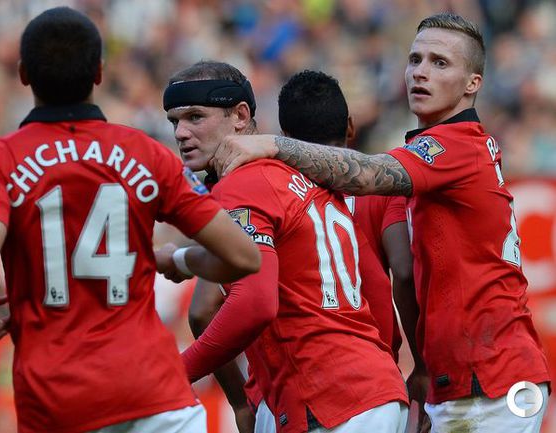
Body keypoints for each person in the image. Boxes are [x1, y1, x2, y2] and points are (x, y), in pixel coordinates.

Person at [211, 12, 551, 433]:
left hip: (491, 379)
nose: (420, 72)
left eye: (440, 63)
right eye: (415, 59)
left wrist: (275, 146)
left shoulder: (455, 146)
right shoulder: (449, 147)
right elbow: (404, 271)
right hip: (477, 377)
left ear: (472, 83)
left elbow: (369, 175)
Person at [0, 8, 261, 433]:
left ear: (23, 74)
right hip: (158, 399)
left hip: (57, 404)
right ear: (99, 72)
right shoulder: (146, 154)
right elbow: (243, 256)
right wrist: (177, 260)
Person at [163, 60, 409, 433]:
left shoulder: (242, 184)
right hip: (371, 392)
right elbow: (373, 284)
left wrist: (176, 375)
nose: (181, 132)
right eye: (174, 121)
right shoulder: (299, 175)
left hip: (325, 399)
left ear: (240, 115)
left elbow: (249, 303)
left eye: (195, 117)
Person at [277, 69, 429, 431]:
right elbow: (404, 271)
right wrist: (422, 366)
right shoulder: (381, 191)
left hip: (295, 380)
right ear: (349, 126)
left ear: (285, 138)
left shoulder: (272, 191)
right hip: (372, 376)